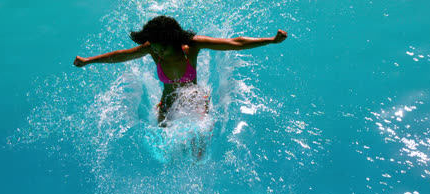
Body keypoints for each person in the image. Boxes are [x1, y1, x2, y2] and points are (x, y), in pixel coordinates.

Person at [74, 15, 287, 126]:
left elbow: (234, 43)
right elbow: (122, 55)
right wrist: (88, 61)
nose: (159, 52)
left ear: (173, 41)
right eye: (155, 47)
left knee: (200, 141)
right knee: (164, 136)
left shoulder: (192, 46)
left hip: (195, 99)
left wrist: (270, 40)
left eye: (163, 47)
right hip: (167, 102)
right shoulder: (152, 49)